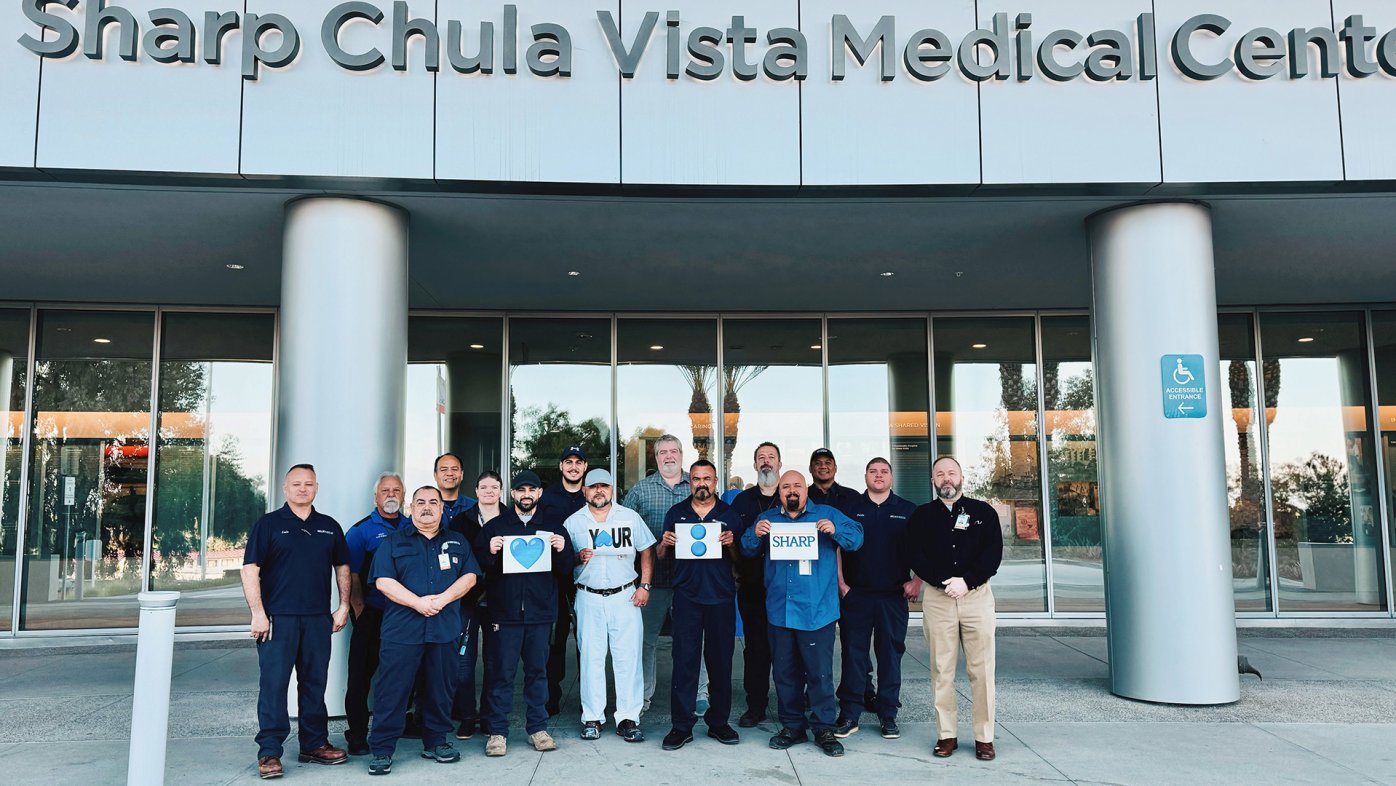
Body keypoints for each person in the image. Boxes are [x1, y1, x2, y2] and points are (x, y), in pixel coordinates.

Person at [240, 464, 351, 779]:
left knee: (314, 682)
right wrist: (258, 613)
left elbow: (342, 567)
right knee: (274, 685)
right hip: (278, 619)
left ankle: (313, 744)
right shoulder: (269, 525)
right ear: (285, 488)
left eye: (309, 484)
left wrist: (343, 606)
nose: (303, 489)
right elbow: (250, 570)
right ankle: (270, 752)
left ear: (316, 488)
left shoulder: (329, 526)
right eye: (297, 484)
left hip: (318, 619)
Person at [741, 471, 862, 758]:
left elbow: (856, 538)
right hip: (780, 610)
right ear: (779, 493)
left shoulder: (827, 513)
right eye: (786, 487)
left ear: (805, 490)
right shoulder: (768, 519)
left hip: (816, 610)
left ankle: (823, 728)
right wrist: (755, 535)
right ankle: (792, 726)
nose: (791, 491)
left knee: (819, 674)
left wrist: (836, 530)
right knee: (784, 673)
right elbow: (746, 549)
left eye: (797, 486)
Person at [365, 486, 482, 775]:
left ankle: (436, 741)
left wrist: (441, 600)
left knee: (440, 688)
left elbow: (469, 577)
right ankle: (381, 749)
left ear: (442, 509)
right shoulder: (392, 543)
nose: (427, 507)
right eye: (421, 503)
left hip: (443, 629)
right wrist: (418, 603)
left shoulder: (457, 541)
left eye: (433, 502)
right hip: (402, 631)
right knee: (392, 690)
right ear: (411, 508)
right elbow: (382, 582)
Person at [908, 456, 1004, 762]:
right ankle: (946, 735)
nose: (946, 478)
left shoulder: (982, 513)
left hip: (976, 598)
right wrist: (942, 581)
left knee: (982, 670)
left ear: (961, 477)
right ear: (933, 481)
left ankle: (984, 737)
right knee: (941, 670)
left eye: (951, 473)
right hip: (938, 600)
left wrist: (968, 582)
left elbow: (993, 554)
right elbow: (915, 555)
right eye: (940, 474)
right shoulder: (921, 516)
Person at [474, 470, 575, 757]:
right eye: (521, 490)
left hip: (540, 614)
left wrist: (562, 548)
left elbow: (566, 570)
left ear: (539, 494)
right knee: (501, 675)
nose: (526, 494)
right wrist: (490, 552)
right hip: (504, 615)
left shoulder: (553, 527)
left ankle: (537, 729)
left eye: (532, 490)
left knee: (537, 673)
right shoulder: (495, 527)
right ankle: (497, 732)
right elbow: (480, 567)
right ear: (513, 494)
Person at [563, 468, 654, 743]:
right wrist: (578, 558)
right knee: (591, 658)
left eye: (604, 486)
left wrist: (645, 585)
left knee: (628, 658)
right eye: (593, 487)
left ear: (612, 489)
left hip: (625, 595)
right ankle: (592, 717)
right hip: (588, 595)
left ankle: (628, 718)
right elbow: (564, 562)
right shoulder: (573, 522)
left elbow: (646, 549)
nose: (598, 490)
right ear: (584, 490)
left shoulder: (629, 517)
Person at [657, 459, 741, 751]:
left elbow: (741, 560)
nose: (701, 483)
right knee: (684, 663)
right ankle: (681, 726)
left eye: (707, 478)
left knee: (720, 663)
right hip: (687, 598)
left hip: (720, 598)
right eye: (696, 479)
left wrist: (731, 543)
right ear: (689, 482)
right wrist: (664, 543)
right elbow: (660, 555)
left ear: (715, 482)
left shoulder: (729, 515)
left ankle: (718, 723)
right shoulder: (676, 513)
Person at [833, 458, 919, 741]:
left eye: (884, 472)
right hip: (856, 595)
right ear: (866, 476)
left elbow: (924, 549)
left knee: (890, 657)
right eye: (873, 471)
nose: (878, 476)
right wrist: (842, 584)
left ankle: (888, 715)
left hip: (893, 596)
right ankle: (850, 714)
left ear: (891, 477)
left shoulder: (907, 510)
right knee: (853, 656)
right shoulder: (850, 508)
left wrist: (916, 580)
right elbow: (837, 548)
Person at [620, 434, 707, 715]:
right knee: (645, 641)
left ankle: (700, 694)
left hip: (689, 581)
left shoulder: (696, 485)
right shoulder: (640, 491)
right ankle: (642, 697)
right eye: (662, 453)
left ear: (682, 454)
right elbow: (624, 531)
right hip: (652, 582)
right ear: (655, 457)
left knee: (693, 638)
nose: (669, 456)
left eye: (674, 451)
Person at [343, 472, 409, 756]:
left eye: (396, 490)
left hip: (406, 615)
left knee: (404, 674)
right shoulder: (361, 531)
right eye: (385, 491)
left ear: (403, 495)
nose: (391, 495)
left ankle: (400, 723)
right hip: (372, 613)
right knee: (360, 676)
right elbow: (351, 574)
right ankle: (357, 734)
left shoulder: (413, 526)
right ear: (376, 497)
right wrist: (359, 610)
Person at [447, 471, 504, 742]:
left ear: (501, 491)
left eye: (494, 487)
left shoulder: (511, 519)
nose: (489, 491)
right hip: (467, 600)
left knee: (495, 662)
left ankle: (491, 718)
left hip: (499, 601)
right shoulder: (461, 521)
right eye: (484, 487)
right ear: (476, 491)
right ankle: (468, 716)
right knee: (463, 663)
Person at [729, 442, 782, 727]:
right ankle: (756, 705)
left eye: (771, 457)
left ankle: (790, 703)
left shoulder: (792, 495)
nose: (766, 462)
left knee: (788, 647)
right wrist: (736, 570)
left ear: (779, 463)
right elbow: (731, 540)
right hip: (751, 586)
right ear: (754, 464)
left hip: (786, 589)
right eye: (761, 457)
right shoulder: (743, 501)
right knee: (756, 649)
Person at [538, 445, 589, 716]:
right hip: (555, 578)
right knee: (555, 640)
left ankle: (588, 700)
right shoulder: (546, 498)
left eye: (578, 462)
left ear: (585, 467)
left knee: (587, 640)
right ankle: (552, 698)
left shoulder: (591, 495)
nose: (572, 466)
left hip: (586, 576)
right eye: (567, 462)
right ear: (561, 467)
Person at [807, 448, 858, 514]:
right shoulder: (802, 497)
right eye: (817, 463)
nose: (823, 466)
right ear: (810, 469)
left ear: (835, 468)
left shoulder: (852, 496)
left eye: (828, 463)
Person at [434, 453, 477, 527]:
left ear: (462, 474)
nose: (450, 473)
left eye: (454, 469)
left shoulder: (475, 507)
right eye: (444, 469)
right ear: (435, 475)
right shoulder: (427, 506)